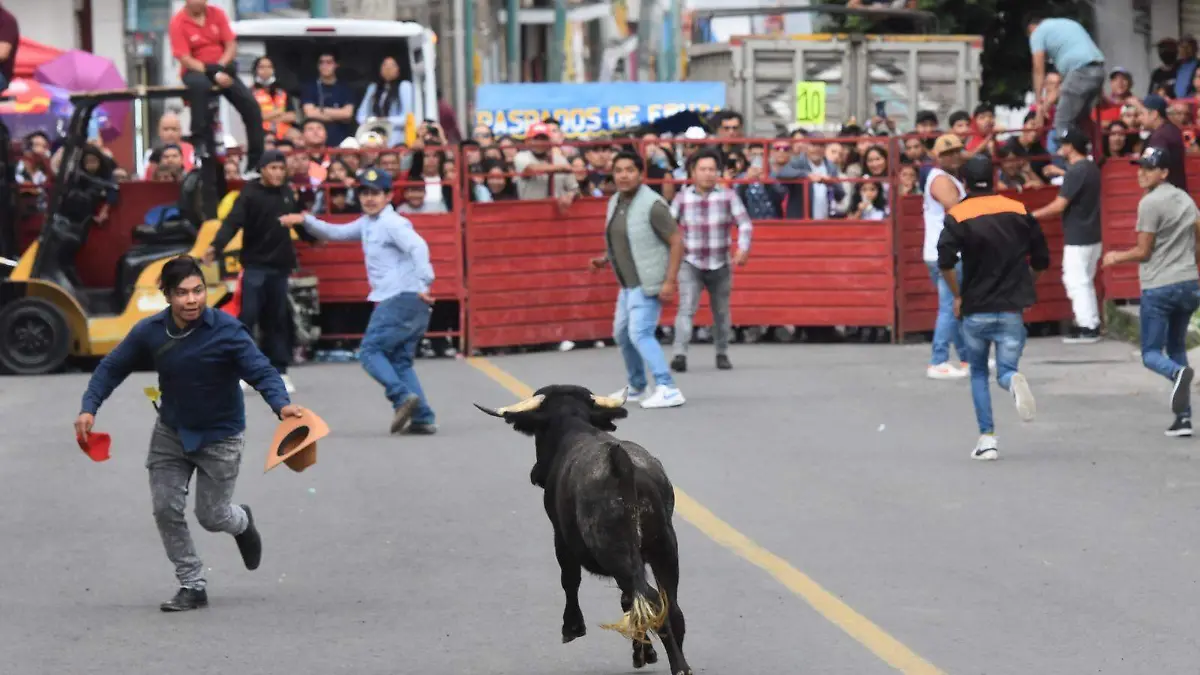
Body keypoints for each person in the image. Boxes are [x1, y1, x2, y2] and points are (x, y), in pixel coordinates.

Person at [74, 256, 304, 611]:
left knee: (212, 516)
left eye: (198, 291)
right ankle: (192, 583)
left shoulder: (227, 331)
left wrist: (282, 405)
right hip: (171, 431)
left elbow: (261, 370)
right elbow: (112, 366)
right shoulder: (149, 331)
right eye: (182, 293)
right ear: (166, 295)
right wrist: (89, 407)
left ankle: (241, 521)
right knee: (166, 508)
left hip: (221, 436)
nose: (192, 300)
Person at [282, 168, 439, 435]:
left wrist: (425, 282)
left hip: (401, 296)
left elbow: (419, 247)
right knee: (400, 360)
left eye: (375, 193)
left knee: (369, 352)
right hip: (409, 298)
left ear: (388, 195)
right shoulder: (368, 223)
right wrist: (305, 220)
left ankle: (401, 397)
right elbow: (337, 233)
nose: (369, 199)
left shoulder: (392, 223)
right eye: (365, 193)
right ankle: (422, 416)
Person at [937, 155, 1051, 461]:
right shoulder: (1018, 210)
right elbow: (1042, 258)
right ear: (995, 177)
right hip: (1012, 307)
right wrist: (1028, 281)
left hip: (976, 306)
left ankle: (987, 439)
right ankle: (1012, 381)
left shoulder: (959, 214)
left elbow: (945, 261)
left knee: (976, 372)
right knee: (1007, 369)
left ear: (963, 182)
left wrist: (957, 294)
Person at [1102, 147, 1200, 437]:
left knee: (1150, 353)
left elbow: (1144, 252)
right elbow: (1197, 235)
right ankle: (1183, 419)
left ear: (1164, 172)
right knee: (1178, 347)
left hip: (1159, 286)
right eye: (1140, 166)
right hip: (1188, 282)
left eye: (1149, 167)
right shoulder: (1184, 198)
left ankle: (1176, 374)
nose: (1141, 172)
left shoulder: (1150, 203)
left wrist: (1116, 257)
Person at [590, 151, 686, 409]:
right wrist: (605, 259)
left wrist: (669, 281)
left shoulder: (653, 205)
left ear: (640, 174)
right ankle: (637, 385)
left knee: (640, 333)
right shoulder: (616, 202)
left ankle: (667, 387)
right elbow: (625, 239)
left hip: (648, 282)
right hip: (628, 284)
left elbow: (677, 242)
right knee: (621, 334)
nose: (623, 175)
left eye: (629, 170)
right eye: (619, 170)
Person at [205, 150, 305, 392]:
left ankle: (280, 371)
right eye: (273, 168)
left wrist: (312, 237)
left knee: (277, 320)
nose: (278, 173)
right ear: (262, 169)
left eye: (281, 168)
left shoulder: (287, 193)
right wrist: (215, 247)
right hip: (255, 266)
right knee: (248, 317)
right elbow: (232, 223)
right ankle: (243, 370)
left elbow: (298, 221)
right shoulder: (249, 194)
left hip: (279, 267)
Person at [669, 148, 752, 373]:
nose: (707, 174)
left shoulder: (728, 195)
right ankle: (679, 354)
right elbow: (668, 226)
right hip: (690, 262)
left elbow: (744, 223)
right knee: (686, 307)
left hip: (720, 262)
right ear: (693, 173)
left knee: (721, 312)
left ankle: (722, 352)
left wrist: (742, 248)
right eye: (702, 169)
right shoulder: (682, 198)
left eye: (712, 169)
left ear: (718, 172)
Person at [167, 0, 264, 170]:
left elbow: (230, 45)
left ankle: (255, 161)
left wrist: (220, 67)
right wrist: (211, 71)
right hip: (196, 70)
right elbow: (184, 58)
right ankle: (200, 143)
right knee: (200, 89)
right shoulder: (177, 22)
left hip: (222, 66)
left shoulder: (217, 14)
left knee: (251, 106)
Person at [1030, 126, 1103, 343]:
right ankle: (1091, 322)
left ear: (1071, 147)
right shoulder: (1089, 167)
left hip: (1078, 235)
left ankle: (1087, 326)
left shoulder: (1076, 171)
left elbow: (1059, 206)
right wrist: (1061, 173)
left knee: (1074, 280)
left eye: (1063, 144)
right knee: (1084, 280)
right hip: (1092, 233)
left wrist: (1032, 215)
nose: (1060, 148)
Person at [922, 134, 969, 379]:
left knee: (956, 306)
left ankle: (966, 358)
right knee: (951, 307)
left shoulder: (944, 176)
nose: (953, 157)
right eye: (947, 153)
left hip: (941, 250)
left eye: (956, 152)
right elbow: (956, 207)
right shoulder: (940, 179)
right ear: (937, 156)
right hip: (948, 251)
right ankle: (938, 361)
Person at [1025, 11, 1105, 139]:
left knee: (1062, 122)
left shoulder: (1037, 33)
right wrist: (1046, 105)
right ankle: (1095, 152)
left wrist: (1039, 101)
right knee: (1081, 120)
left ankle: (1068, 156)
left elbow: (1038, 67)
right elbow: (1063, 86)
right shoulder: (1067, 25)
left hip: (1081, 71)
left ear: (1031, 29)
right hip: (1098, 71)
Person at [1139, 94, 1188, 193]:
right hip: (1176, 191)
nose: (1140, 118)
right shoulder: (1172, 129)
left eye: (1142, 114)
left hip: (1165, 193)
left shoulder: (1159, 136)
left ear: (1154, 114)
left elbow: (1153, 167)